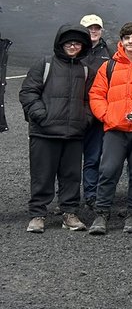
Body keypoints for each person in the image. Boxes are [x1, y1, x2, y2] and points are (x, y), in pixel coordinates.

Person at [20, 25, 94, 233]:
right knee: (42, 174)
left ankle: (69, 213)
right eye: (69, 42)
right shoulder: (44, 64)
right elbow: (28, 92)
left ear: (83, 46)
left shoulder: (87, 70)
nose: (73, 46)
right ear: (60, 43)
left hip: (73, 133)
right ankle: (37, 214)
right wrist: (42, 116)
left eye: (77, 43)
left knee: (71, 176)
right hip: (44, 132)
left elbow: (91, 99)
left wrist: (84, 119)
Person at [87, 22, 132, 235]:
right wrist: (106, 116)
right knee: (108, 170)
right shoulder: (109, 66)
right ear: (121, 41)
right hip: (115, 129)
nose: (130, 42)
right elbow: (96, 94)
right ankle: (102, 213)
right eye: (127, 38)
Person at [79, 13, 111, 208]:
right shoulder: (73, 50)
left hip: (98, 113)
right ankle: (68, 196)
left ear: (101, 30)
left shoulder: (109, 52)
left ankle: (91, 194)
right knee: (70, 158)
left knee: (93, 155)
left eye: (96, 28)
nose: (93, 31)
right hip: (76, 111)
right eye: (89, 28)